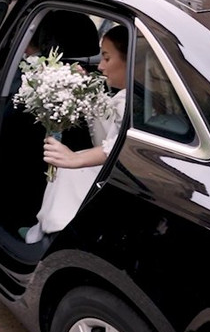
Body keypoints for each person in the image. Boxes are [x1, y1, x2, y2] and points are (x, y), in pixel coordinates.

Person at [20, 25, 129, 244]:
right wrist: (86, 87)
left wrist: (75, 158)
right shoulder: (133, 95)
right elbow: (108, 119)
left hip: (119, 173)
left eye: (107, 58)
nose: (100, 66)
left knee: (66, 172)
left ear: (131, 61)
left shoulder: (133, 101)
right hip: (119, 167)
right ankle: (46, 227)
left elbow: (121, 143)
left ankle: (51, 232)